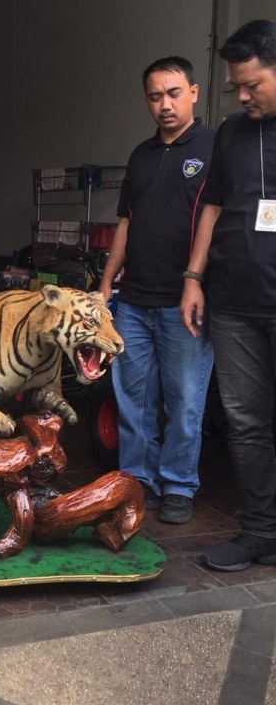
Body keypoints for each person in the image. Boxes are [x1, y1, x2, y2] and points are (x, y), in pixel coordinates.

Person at [99, 57, 214, 524]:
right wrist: (106, 284)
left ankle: (179, 485)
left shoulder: (214, 148)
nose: (164, 105)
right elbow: (126, 222)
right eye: (154, 96)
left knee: (185, 399)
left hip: (184, 303)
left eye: (172, 93)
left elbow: (218, 218)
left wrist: (196, 280)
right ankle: (136, 479)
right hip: (133, 301)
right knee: (133, 399)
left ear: (193, 92)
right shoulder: (141, 155)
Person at [181, 20, 276, 572]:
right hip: (234, 304)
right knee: (244, 422)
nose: (242, 96)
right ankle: (260, 531)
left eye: (252, 84)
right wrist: (194, 278)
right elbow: (212, 206)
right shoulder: (232, 134)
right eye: (236, 87)